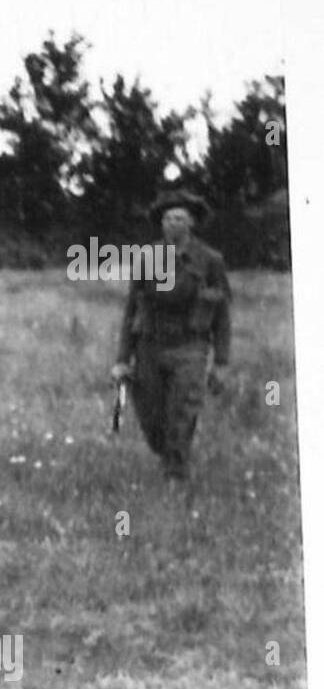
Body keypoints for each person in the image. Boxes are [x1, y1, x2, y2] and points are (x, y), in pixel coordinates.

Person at [111, 189, 232, 481]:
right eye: (167, 218)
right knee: (151, 418)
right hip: (149, 346)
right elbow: (131, 309)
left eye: (179, 217)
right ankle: (168, 456)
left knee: (182, 411)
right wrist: (122, 359)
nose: (172, 223)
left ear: (191, 222)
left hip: (190, 347)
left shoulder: (210, 260)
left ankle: (175, 476)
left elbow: (222, 314)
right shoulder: (147, 257)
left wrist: (221, 363)